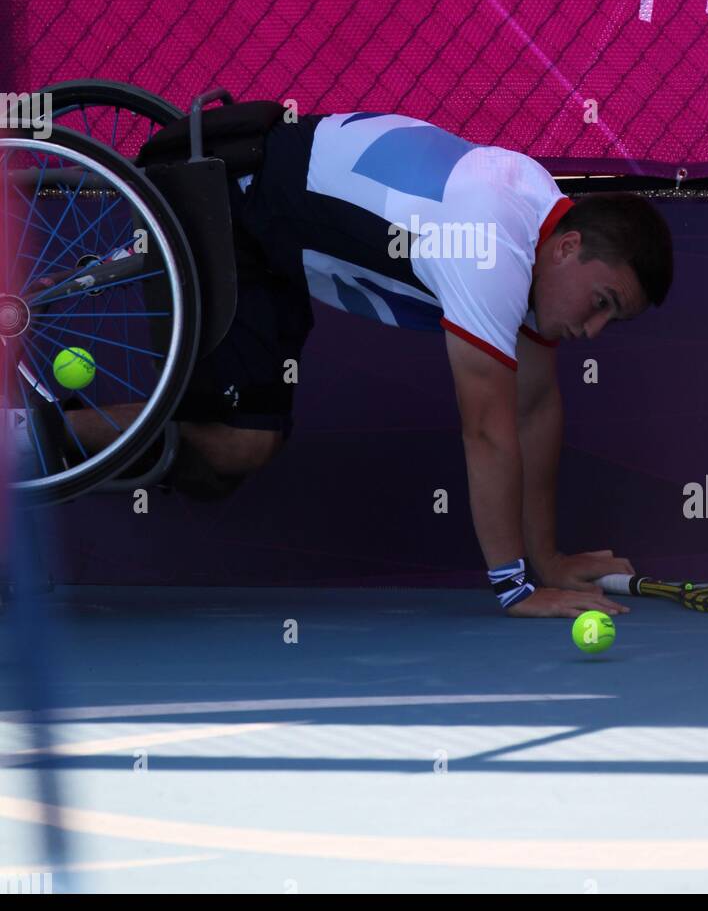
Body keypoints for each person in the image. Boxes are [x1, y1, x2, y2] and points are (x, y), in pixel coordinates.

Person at [67, 111, 674, 617]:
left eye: (611, 322)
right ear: (569, 248)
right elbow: (488, 430)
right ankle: (34, 435)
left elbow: (535, 409)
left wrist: (551, 562)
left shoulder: (538, 214)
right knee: (236, 445)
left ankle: (52, 437)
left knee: (244, 445)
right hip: (234, 205)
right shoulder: (491, 247)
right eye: (602, 304)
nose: (592, 332)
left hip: (273, 225)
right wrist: (515, 588)